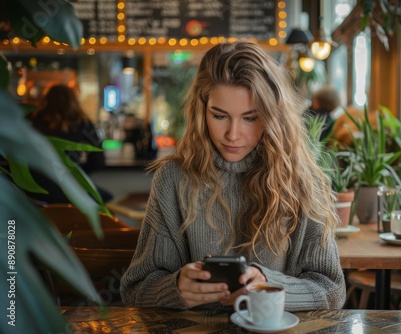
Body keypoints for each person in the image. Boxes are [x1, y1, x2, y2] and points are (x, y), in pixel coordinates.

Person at [120, 41, 346, 311]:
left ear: (273, 117)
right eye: (219, 115)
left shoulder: (300, 178)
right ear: (201, 111)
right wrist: (175, 288)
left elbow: (332, 291)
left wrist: (266, 285)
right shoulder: (173, 178)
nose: (233, 135)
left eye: (250, 118)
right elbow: (135, 289)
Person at [25, 84, 112, 204]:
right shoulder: (83, 124)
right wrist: (77, 173)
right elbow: (98, 161)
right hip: (68, 189)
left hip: (34, 189)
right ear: (74, 101)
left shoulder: (32, 120)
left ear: (46, 100)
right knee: (107, 199)